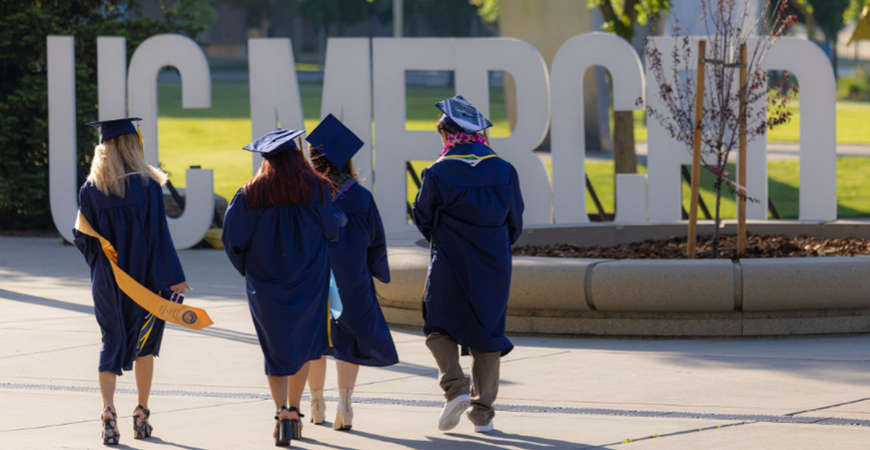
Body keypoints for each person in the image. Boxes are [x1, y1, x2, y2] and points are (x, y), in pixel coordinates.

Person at [222, 128, 346, 447]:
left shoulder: (250, 192)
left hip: (265, 285)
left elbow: (233, 241)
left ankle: (280, 413)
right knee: (304, 346)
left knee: (275, 349)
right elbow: (332, 230)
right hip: (309, 281)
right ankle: (293, 410)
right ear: (297, 156)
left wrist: (251, 272)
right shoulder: (318, 189)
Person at [73, 117, 191, 445]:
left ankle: (108, 411)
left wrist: (102, 268)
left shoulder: (90, 190)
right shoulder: (149, 186)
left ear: (104, 148)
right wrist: (174, 279)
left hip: (108, 281)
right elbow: (159, 237)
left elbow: (84, 239)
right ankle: (141, 413)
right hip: (145, 281)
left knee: (111, 342)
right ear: (132, 146)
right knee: (144, 347)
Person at [411, 96, 524, 433]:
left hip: (450, 261)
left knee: (438, 326)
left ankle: (455, 388)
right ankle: (483, 413)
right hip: (493, 264)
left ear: (447, 134)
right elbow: (514, 222)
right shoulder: (504, 170)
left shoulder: (438, 172)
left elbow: (422, 218)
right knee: (488, 335)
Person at [304, 114, 399, 431]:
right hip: (352, 282)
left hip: (313, 280)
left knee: (315, 343)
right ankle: (345, 405)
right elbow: (375, 241)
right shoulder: (361, 197)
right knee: (348, 343)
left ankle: (316, 404)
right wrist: (372, 270)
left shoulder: (308, 195)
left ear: (318, 162)